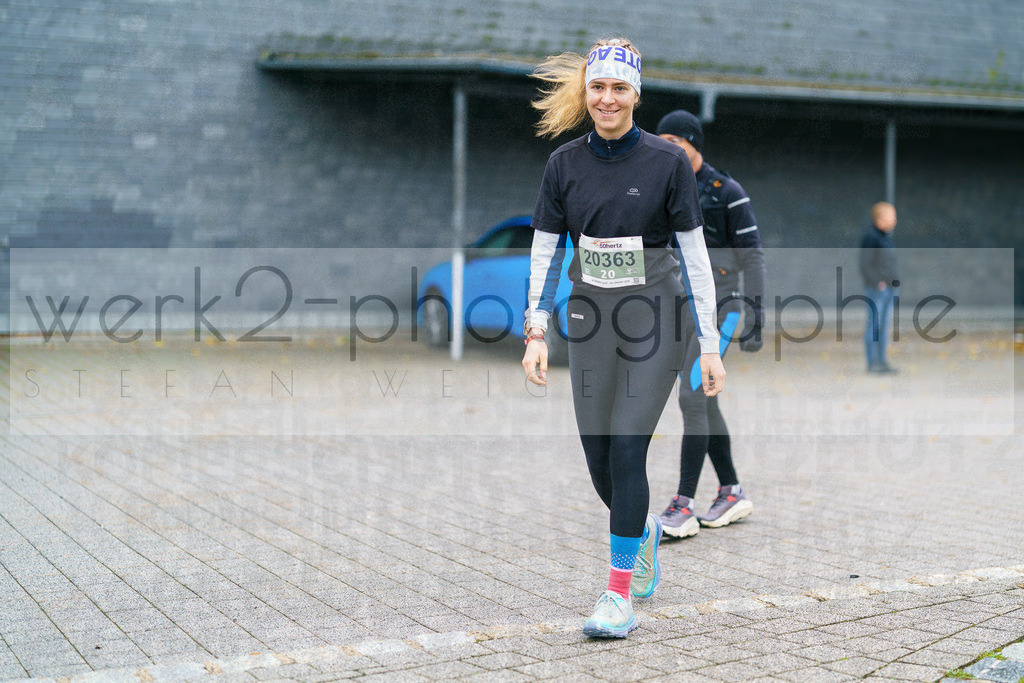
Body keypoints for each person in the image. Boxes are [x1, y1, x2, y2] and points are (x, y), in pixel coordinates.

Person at [520, 39, 725, 639]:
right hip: (588, 321)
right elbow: (544, 253)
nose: (607, 99)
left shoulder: (665, 162)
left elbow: (695, 257)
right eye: (598, 88)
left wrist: (708, 341)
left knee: (628, 447)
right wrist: (536, 331)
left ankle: (617, 597)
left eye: (619, 88)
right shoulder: (563, 165)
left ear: (636, 94)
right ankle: (644, 531)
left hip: (653, 319)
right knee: (599, 458)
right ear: (586, 94)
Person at [654, 110, 766, 537]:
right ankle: (731, 491)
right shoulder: (663, 188)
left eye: (676, 142)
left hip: (724, 307)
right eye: (662, 142)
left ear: (694, 144)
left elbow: (753, 255)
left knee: (692, 396)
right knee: (706, 400)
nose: (669, 150)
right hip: (682, 307)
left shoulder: (727, 191)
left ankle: (682, 505)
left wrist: (755, 317)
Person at [859, 201, 900, 373]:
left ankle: (882, 361)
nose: (895, 220)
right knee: (874, 325)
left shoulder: (885, 236)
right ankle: (873, 362)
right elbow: (865, 264)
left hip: (890, 288)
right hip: (878, 289)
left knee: (884, 327)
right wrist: (877, 282)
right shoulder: (871, 237)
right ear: (880, 218)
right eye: (892, 216)